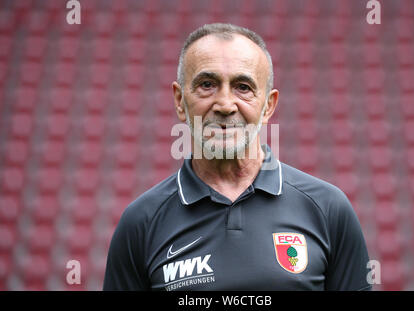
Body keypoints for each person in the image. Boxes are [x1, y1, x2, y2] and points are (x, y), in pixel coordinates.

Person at [103, 23, 372, 291]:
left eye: (243, 87)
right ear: (179, 100)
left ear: (268, 105)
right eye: (207, 84)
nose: (225, 105)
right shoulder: (140, 222)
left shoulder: (328, 210)